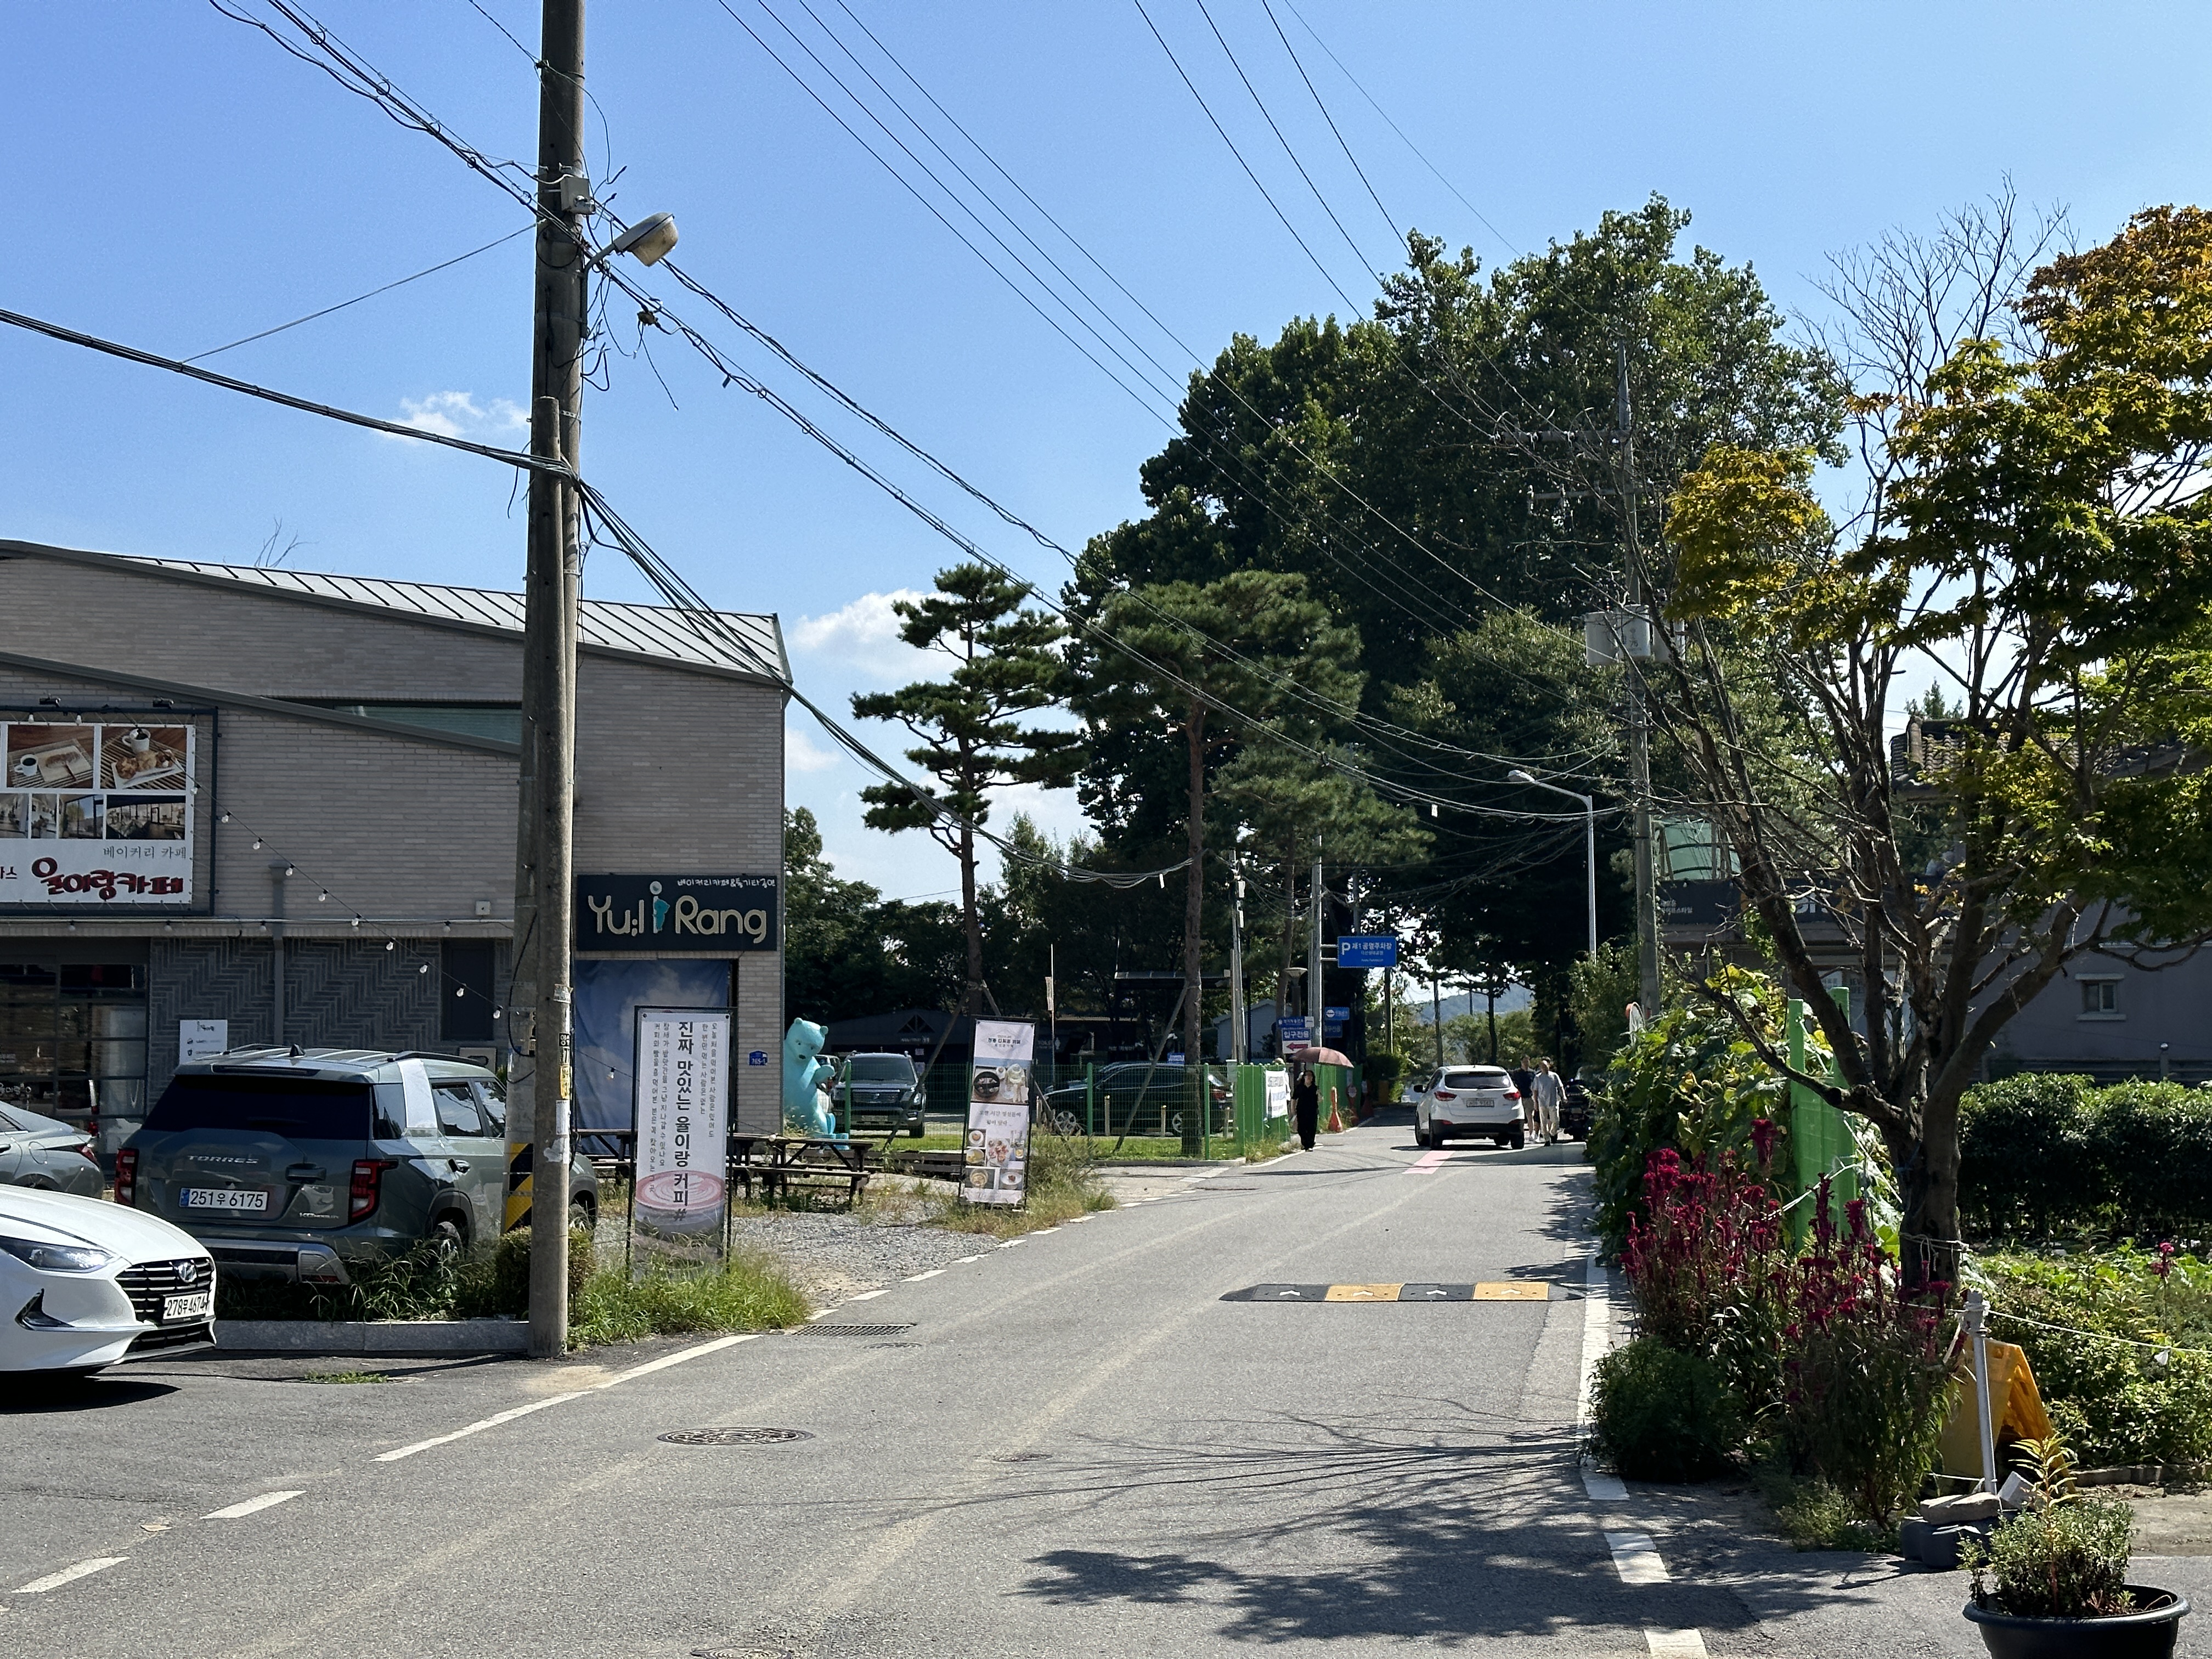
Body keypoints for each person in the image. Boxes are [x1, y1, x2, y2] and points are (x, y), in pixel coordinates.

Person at [1530, 1057, 1564, 1146]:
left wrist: (1564, 1096)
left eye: (1546, 1066)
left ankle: (1552, 1132)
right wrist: (1535, 1102)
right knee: (1543, 1122)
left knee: (1556, 1120)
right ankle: (1547, 1139)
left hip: (1553, 1101)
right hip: (1542, 1102)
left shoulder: (1554, 1076)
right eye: (1542, 1066)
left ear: (1549, 1066)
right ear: (1540, 1068)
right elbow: (1535, 1090)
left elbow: (1561, 1087)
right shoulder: (1538, 1078)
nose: (1544, 1068)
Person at [1291, 1064, 1320, 1151]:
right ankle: (1305, 1143)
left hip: (1313, 1110)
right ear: (1304, 1077)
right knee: (1301, 1128)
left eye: (1311, 1076)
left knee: (1312, 1128)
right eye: (1307, 1076)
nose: (1309, 1077)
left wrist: (1319, 1094)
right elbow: (1294, 1099)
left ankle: (1309, 1145)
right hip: (1302, 1110)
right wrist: (1293, 1109)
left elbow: (1320, 1100)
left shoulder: (1315, 1088)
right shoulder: (1300, 1088)